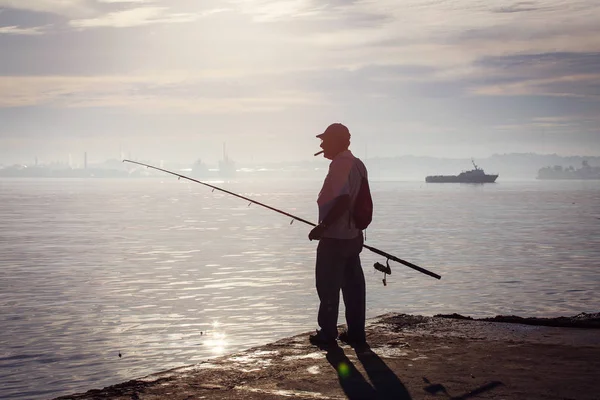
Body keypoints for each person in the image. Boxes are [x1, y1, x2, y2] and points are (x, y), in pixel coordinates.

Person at [308, 122, 369, 348]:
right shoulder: (358, 164)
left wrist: (323, 227)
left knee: (327, 286)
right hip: (354, 236)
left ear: (338, 142)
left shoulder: (340, 165)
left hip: (335, 237)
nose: (322, 144)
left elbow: (343, 200)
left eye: (325, 140)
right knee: (354, 287)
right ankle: (356, 332)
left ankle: (327, 333)